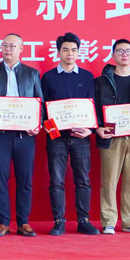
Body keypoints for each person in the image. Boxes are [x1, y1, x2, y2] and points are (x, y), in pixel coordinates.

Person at [0, 33, 43, 237]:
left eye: (13, 46)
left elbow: (39, 102)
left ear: (21, 49)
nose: (8, 49)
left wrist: (38, 124)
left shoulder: (32, 73)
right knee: (0, 179)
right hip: (0, 135)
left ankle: (23, 222)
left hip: (25, 135)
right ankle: (3, 222)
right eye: (5, 45)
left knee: (25, 179)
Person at [41, 32, 99, 236]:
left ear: (78, 52)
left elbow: (93, 105)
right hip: (56, 138)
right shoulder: (48, 77)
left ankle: (84, 220)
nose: (70, 53)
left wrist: (90, 129)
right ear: (58, 52)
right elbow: (43, 108)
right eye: (65, 49)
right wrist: (50, 128)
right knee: (57, 180)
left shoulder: (87, 77)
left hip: (81, 137)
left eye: (74, 50)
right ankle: (59, 221)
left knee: (83, 179)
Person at [93, 38, 130, 235]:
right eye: (120, 51)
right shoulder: (101, 82)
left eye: (128, 51)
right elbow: (93, 107)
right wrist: (97, 128)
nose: (124, 54)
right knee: (109, 180)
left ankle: (129, 221)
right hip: (111, 136)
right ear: (113, 55)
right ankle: (109, 221)